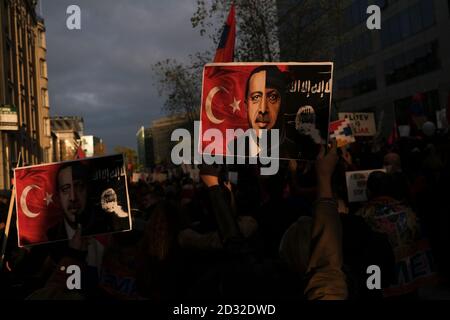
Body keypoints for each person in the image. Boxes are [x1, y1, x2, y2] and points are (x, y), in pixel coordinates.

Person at [229, 65, 297, 161]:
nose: (263, 109)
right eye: (256, 97)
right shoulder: (232, 150)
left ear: (283, 104)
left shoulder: (295, 152)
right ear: (246, 105)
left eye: (272, 97)